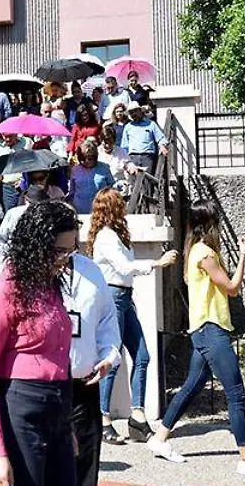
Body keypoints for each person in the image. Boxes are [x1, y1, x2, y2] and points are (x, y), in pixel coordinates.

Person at [150, 199, 245, 479]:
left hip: (202, 329)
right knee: (235, 394)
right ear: (211, 222)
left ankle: (159, 438)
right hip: (211, 329)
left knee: (191, 387)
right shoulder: (206, 253)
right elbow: (233, 288)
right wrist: (243, 253)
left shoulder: (193, 250)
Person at [0, 201, 80, 486]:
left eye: (70, 251)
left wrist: (65, 425)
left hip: (58, 406)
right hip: (22, 409)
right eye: (58, 251)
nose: (64, 259)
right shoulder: (4, 290)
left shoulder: (50, 284)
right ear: (36, 245)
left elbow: (59, 357)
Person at [87, 188, 177, 445]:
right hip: (113, 299)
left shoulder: (115, 236)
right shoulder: (105, 237)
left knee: (142, 356)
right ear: (112, 208)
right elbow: (124, 268)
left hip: (125, 298)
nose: (125, 208)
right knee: (112, 360)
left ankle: (137, 416)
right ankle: (103, 419)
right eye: (120, 204)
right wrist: (157, 263)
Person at [62, 249, 122, 486]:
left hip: (84, 385)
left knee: (86, 468)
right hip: (47, 388)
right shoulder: (32, 271)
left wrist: (108, 356)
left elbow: (107, 318)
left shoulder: (91, 270)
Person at [0, 185, 50, 269]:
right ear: (25, 200)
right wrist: (3, 261)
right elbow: (0, 239)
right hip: (13, 260)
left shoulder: (46, 217)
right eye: (32, 204)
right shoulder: (13, 214)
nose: (34, 208)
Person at [119, 101, 167, 175]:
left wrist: (162, 146)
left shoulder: (151, 124)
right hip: (133, 157)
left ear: (140, 111)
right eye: (131, 112)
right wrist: (126, 160)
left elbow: (160, 138)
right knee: (134, 182)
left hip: (147, 157)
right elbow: (124, 146)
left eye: (135, 111)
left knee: (148, 181)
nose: (133, 114)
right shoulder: (128, 127)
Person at [69, 141, 115, 215]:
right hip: (79, 211)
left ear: (95, 156)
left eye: (90, 158)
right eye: (83, 158)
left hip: (100, 210)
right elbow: (72, 192)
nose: (86, 161)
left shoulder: (104, 168)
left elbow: (112, 187)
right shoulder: (75, 170)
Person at [0, 133, 29, 213]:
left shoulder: (26, 143)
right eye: (5, 136)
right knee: (10, 214)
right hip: (8, 188)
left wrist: (24, 181)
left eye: (10, 136)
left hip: (25, 187)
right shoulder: (1, 149)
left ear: (15, 134)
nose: (8, 139)